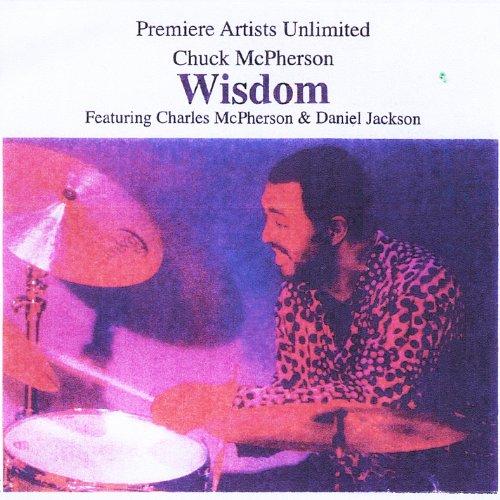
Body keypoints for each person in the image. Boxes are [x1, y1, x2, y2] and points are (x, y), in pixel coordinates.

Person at [230, 145, 464, 491]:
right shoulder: (297, 292)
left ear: (334, 230)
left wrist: (232, 401)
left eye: (280, 222)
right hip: (337, 482)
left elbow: (373, 402)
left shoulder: (420, 284)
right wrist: (219, 422)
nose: (266, 235)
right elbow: (296, 403)